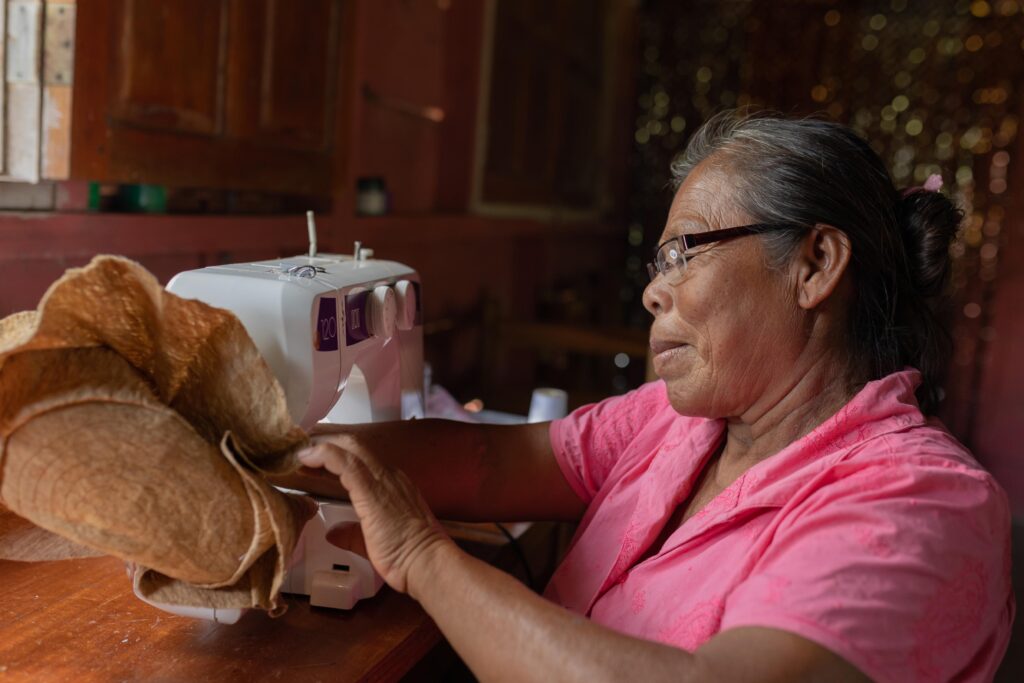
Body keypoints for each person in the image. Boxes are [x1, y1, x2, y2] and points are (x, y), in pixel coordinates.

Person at [287, 111, 1014, 682]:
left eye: (682, 253)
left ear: (815, 264)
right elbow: (486, 459)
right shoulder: (680, 421)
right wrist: (268, 446)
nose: (651, 289)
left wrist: (420, 553)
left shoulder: (920, 503)